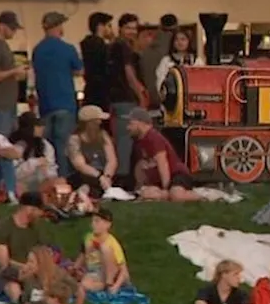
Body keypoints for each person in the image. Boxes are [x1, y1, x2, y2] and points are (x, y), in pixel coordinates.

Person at [31, 11, 83, 176]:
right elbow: (79, 70)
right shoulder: (67, 48)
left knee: (48, 147)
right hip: (65, 104)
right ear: (58, 27)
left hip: (45, 105)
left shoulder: (37, 50)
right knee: (63, 146)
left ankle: (49, 180)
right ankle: (64, 182)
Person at [0, 193, 53, 302]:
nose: (41, 214)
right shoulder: (4, 228)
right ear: (30, 209)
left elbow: (39, 251)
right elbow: (3, 263)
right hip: (7, 272)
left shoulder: (34, 229)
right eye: (39, 211)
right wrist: (26, 267)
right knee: (14, 288)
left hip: (30, 270)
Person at [126, 109, 198, 201]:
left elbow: (163, 163)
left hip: (177, 174)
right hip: (160, 179)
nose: (128, 127)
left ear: (140, 123)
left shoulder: (153, 137)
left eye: (131, 123)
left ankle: (205, 195)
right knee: (148, 194)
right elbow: (141, 166)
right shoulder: (139, 141)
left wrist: (165, 188)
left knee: (176, 196)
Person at [109, 13, 148, 178]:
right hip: (124, 99)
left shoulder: (119, 46)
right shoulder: (122, 47)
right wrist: (140, 93)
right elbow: (129, 72)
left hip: (119, 99)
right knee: (125, 142)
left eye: (134, 28)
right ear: (121, 29)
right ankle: (122, 179)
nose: (132, 31)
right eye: (128, 28)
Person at [76, 208, 129, 294]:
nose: (93, 224)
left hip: (113, 272)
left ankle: (109, 283)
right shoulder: (88, 237)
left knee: (105, 249)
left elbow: (124, 270)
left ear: (107, 224)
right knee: (84, 285)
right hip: (96, 272)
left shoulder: (112, 243)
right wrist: (74, 269)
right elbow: (82, 254)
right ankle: (103, 286)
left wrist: (116, 286)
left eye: (97, 221)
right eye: (92, 221)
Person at [66, 105, 117, 193]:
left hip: (104, 174)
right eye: (98, 120)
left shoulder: (103, 135)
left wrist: (107, 177)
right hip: (85, 176)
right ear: (90, 123)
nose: (100, 122)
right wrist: (99, 177)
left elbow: (112, 160)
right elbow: (80, 165)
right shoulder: (75, 139)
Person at [9, 112, 58, 196]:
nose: (42, 128)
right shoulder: (15, 145)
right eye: (38, 125)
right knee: (18, 187)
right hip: (20, 182)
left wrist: (48, 173)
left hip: (39, 183)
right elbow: (13, 173)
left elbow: (52, 168)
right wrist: (33, 163)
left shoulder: (46, 145)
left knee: (58, 182)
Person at [155, 27, 201, 101]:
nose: (180, 42)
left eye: (183, 39)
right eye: (176, 39)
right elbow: (160, 80)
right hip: (171, 98)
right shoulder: (166, 61)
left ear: (189, 41)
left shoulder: (196, 61)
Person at [80, 11, 114, 110]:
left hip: (90, 90)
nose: (111, 29)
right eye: (109, 25)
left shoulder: (86, 44)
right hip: (102, 93)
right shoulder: (101, 46)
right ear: (100, 26)